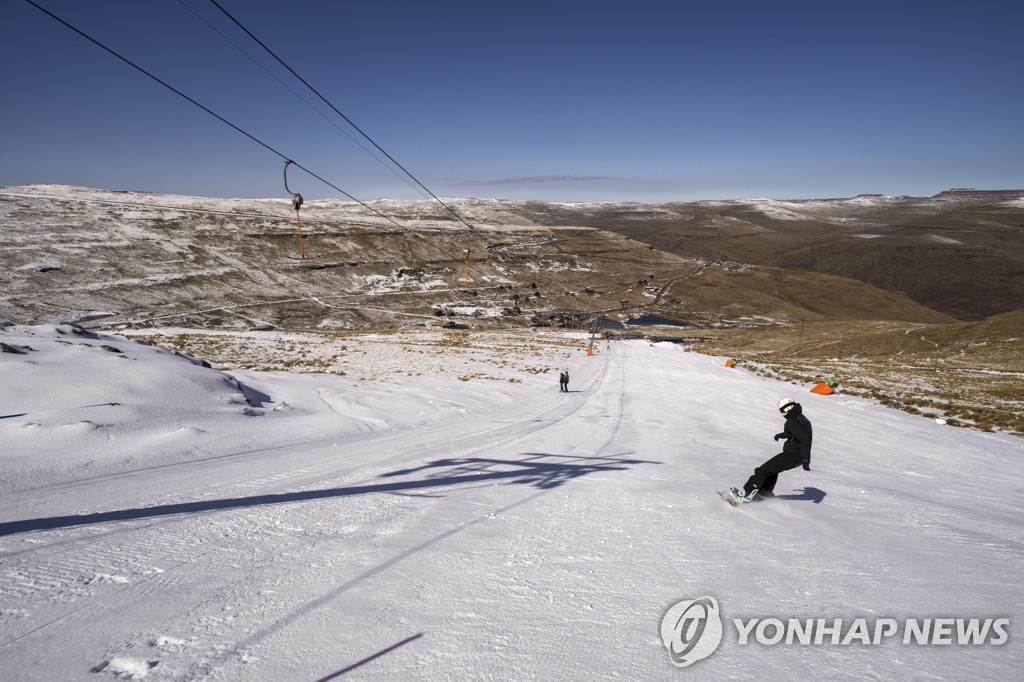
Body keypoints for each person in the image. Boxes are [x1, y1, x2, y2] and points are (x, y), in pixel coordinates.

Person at [730, 397, 812, 502]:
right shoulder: (801, 418)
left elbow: (804, 440)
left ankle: (745, 493)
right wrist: (782, 435)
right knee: (771, 470)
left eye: (781, 411)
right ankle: (765, 493)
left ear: (787, 408)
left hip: (794, 455)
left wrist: (806, 459)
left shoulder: (792, 421)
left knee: (762, 471)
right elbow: (797, 433)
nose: (782, 414)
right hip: (797, 456)